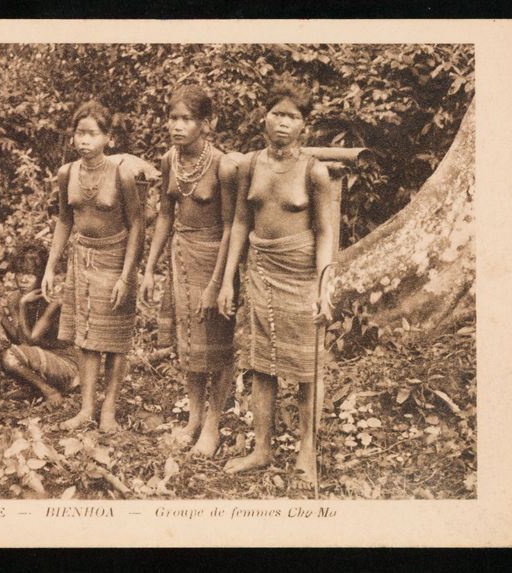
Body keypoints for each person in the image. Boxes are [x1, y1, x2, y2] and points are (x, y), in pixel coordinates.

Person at [217, 82, 334, 489]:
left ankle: (306, 452)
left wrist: (324, 285)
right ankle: (262, 448)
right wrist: (229, 280)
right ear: (264, 117)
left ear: (304, 126)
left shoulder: (314, 171)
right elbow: (239, 223)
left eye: (293, 117)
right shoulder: (249, 165)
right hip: (260, 269)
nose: (284, 123)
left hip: (301, 274)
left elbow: (325, 233)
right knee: (261, 365)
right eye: (278, 114)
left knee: (306, 367)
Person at [140, 85, 238, 457]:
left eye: (187, 119)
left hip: (215, 258)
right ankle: (195, 416)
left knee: (218, 345)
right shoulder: (170, 161)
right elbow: (166, 215)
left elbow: (232, 226)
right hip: (180, 259)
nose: (177, 127)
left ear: (207, 123)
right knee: (189, 344)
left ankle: (213, 422)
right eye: (173, 118)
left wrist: (217, 282)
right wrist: (149, 269)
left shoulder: (223, 166)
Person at [41, 101, 143, 432]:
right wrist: (50, 267)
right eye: (79, 134)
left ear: (108, 139)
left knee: (113, 340)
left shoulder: (122, 174)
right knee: (84, 337)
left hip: (114, 260)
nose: (85, 141)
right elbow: (63, 220)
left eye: (93, 134)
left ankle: (109, 410)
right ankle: (86, 409)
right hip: (80, 260)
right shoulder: (67, 173)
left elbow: (137, 225)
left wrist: (127, 276)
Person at [0, 240, 79, 406]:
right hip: (40, 360)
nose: (23, 280)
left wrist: (22, 306)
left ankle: (50, 392)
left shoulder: (53, 301)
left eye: (30, 274)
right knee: (0, 350)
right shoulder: (14, 298)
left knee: (10, 356)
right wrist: (0, 316)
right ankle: (36, 388)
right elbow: (19, 339)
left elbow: (30, 340)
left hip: (65, 364)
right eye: (20, 273)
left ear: (42, 275)